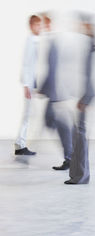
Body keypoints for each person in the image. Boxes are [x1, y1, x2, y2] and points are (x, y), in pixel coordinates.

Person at [64, 14, 95, 185]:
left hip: (87, 97)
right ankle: (77, 175)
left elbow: (91, 75)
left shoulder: (92, 47)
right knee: (79, 136)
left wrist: (86, 97)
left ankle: (80, 176)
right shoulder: (89, 45)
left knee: (81, 137)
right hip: (85, 96)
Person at [14, 15, 41, 156]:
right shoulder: (30, 41)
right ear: (31, 26)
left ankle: (20, 144)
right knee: (27, 115)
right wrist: (26, 85)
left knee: (29, 115)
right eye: (37, 25)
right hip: (28, 85)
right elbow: (26, 64)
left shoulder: (35, 41)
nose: (39, 28)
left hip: (31, 84)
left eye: (40, 25)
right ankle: (20, 145)